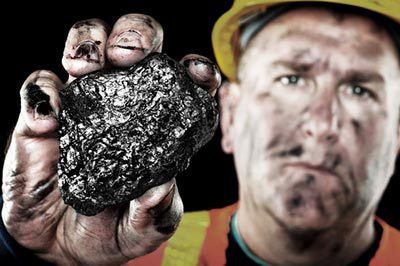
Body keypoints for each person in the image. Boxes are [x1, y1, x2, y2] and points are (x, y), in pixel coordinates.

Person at [2, 0, 400, 266]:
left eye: (360, 90)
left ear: (396, 136)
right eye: (291, 79)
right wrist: (37, 257)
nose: (321, 124)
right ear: (229, 117)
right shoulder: (136, 258)